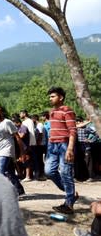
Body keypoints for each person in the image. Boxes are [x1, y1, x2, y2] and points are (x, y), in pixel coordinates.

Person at [45, 86, 78, 214]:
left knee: (65, 173)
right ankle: (71, 194)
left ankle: (69, 204)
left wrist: (70, 148)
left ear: (61, 97)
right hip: (52, 146)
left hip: (64, 145)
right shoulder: (52, 112)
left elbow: (72, 130)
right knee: (49, 171)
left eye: (53, 96)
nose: (50, 99)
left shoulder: (67, 111)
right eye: (50, 97)